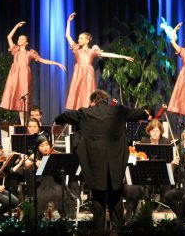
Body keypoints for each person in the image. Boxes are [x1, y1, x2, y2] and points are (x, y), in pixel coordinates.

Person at [52, 89, 150, 231]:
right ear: (107, 101)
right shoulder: (119, 111)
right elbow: (141, 114)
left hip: (95, 163)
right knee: (115, 195)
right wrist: (145, 114)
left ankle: (99, 231)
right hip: (116, 162)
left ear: (92, 101)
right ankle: (118, 229)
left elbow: (65, 115)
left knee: (98, 196)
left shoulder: (85, 112)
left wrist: (56, 123)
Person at [0, 21, 66, 125]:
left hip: (24, 75)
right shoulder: (15, 50)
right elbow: (9, 37)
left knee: (24, 99)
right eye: (19, 38)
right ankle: (22, 124)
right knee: (17, 97)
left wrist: (57, 63)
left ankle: (25, 123)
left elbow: (42, 60)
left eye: (22, 39)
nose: (19, 40)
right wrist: (16, 26)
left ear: (26, 43)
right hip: (15, 74)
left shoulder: (30, 53)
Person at [65, 13, 134, 110]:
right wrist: (69, 22)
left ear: (87, 41)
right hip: (79, 72)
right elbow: (68, 36)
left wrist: (123, 56)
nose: (78, 40)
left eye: (81, 38)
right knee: (77, 90)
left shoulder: (92, 51)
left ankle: (88, 109)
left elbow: (107, 54)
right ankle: (78, 111)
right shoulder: (76, 49)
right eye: (78, 38)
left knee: (87, 92)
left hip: (88, 73)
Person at [25, 135, 80, 218]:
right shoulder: (35, 156)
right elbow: (27, 164)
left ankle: (66, 220)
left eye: (47, 145)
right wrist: (34, 160)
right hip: (42, 187)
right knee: (41, 199)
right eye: (42, 146)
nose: (45, 148)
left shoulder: (55, 155)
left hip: (56, 185)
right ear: (37, 148)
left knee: (63, 196)